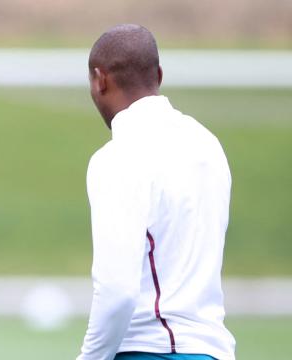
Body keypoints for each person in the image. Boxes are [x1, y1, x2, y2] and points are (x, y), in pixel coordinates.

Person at [76, 24, 236, 360]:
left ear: (99, 79)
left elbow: (117, 291)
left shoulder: (116, 158)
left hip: (151, 351)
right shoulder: (208, 144)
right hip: (213, 350)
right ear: (159, 75)